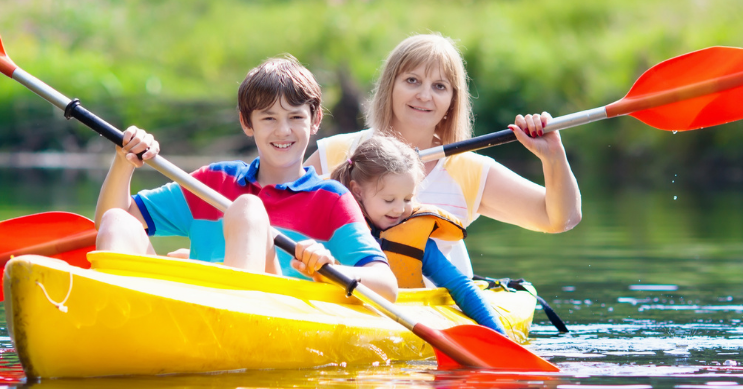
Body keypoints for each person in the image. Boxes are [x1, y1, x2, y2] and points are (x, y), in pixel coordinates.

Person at [95, 55, 399, 301]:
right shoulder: (214, 180)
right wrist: (124, 161)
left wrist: (329, 269)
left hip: (269, 318)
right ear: (247, 123)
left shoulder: (331, 199)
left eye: (296, 117)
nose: (283, 131)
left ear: (315, 120)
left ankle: (229, 317)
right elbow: (109, 222)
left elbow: (387, 285)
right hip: (194, 315)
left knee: (248, 209)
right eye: (269, 118)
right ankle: (117, 324)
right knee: (117, 221)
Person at [308, 34, 581, 277]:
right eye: (412, 81)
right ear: (390, 86)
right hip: (342, 296)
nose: (424, 95)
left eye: (439, 86)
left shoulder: (469, 170)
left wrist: (553, 157)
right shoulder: (337, 153)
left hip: (433, 307)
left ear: (452, 101)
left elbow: (560, 219)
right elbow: (283, 205)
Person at [330, 134, 506, 334]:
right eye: (389, 200)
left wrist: (498, 334)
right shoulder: (333, 227)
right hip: (337, 316)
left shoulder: (417, 238)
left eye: (407, 199)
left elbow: (459, 286)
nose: (399, 209)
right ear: (358, 191)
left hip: (398, 325)